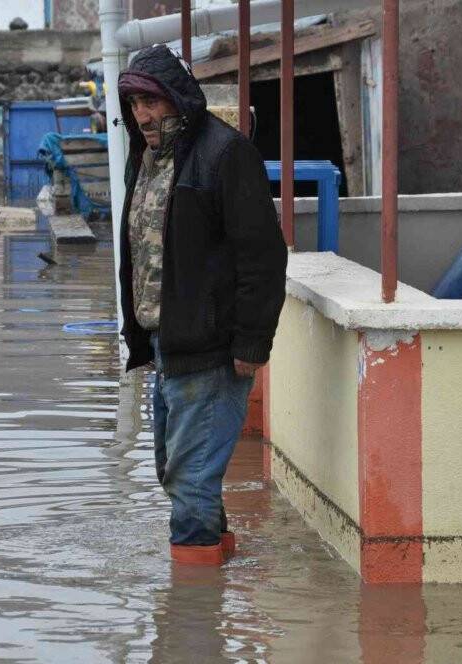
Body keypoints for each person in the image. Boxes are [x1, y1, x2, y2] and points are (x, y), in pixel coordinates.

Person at [117, 44, 288, 565]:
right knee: (176, 471)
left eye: (151, 101)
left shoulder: (224, 153)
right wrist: (140, 337)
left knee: (189, 484)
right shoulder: (145, 157)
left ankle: (190, 618)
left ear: (177, 99)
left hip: (212, 351)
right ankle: (218, 572)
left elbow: (262, 255)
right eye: (134, 104)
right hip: (168, 344)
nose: (143, 114)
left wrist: (252, 343)